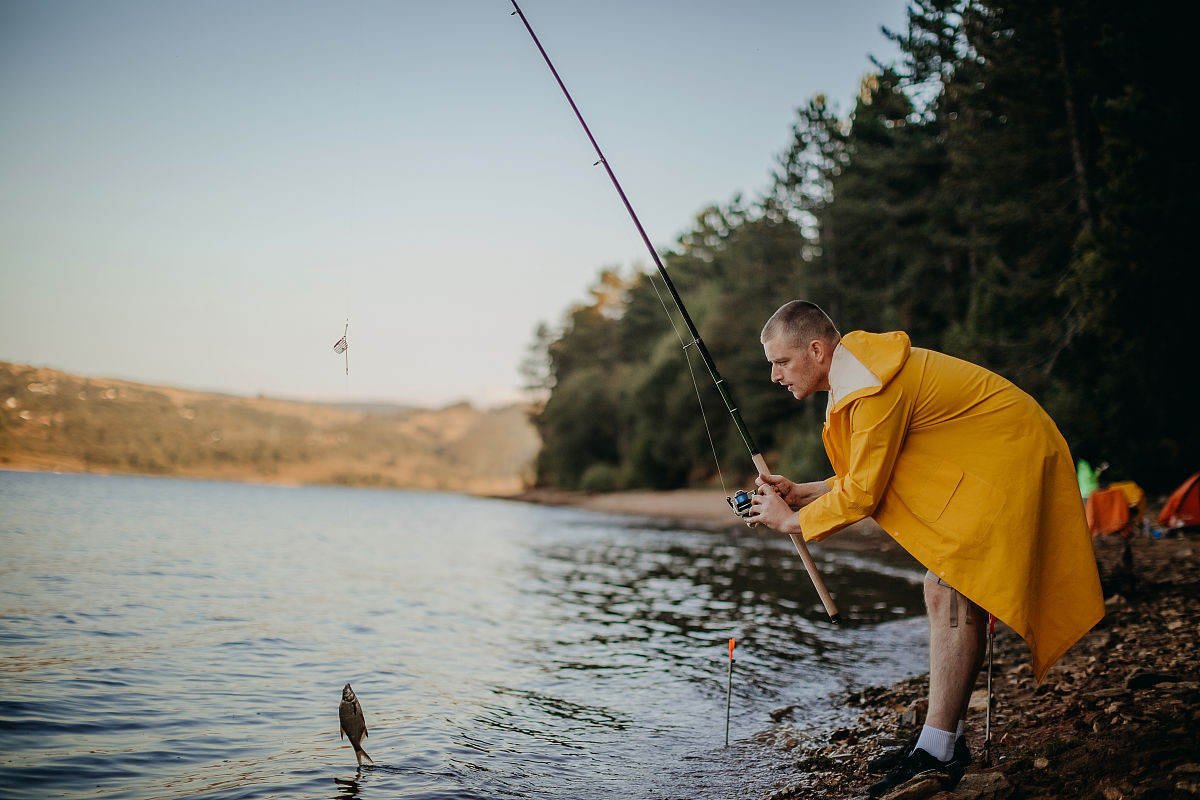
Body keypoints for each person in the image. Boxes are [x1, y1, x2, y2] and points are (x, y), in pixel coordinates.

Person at [746, 301, 1104, 797]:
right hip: (993, 459)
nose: (774, 376)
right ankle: (942, 741)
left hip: (1012, 459)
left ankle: (936, 752)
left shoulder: (870, 384)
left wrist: (794, 521)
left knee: (952, 587)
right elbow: (861, 477)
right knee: (945, 591)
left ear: (815, 349)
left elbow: (866, 492)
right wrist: (803, 493)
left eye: (780, 362)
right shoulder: (856, 380)